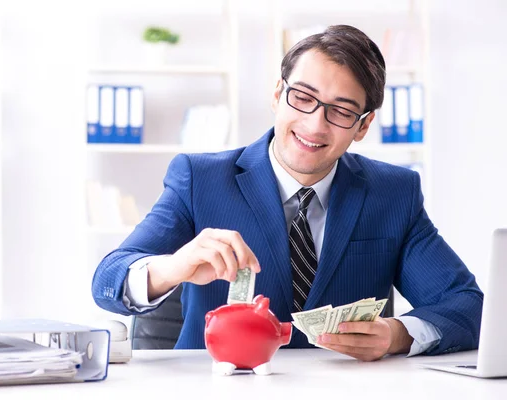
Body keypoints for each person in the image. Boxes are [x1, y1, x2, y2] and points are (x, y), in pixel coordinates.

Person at [91, 24, 483, 361]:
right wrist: (172, 267)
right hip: (216, 386)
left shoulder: (393, 192)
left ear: (363, 126)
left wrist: (398, 335)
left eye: (342, 111)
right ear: (278, 94)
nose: (315, 125)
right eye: (303, 98)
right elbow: (107, 281)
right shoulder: (200, 179)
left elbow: (469, 305)